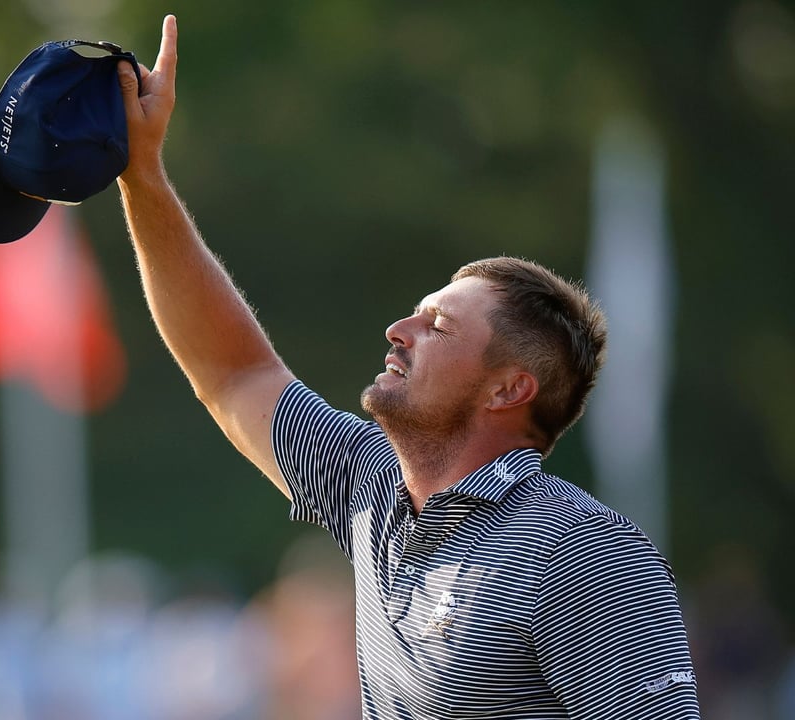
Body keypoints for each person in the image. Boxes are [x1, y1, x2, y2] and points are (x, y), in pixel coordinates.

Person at [113, 15, 701, 719]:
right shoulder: (371, 485)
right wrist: (142, 176)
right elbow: (233, 373)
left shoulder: (582, 552)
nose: (399, 331)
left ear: (509, 388)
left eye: (439, 325)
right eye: (416, 314)